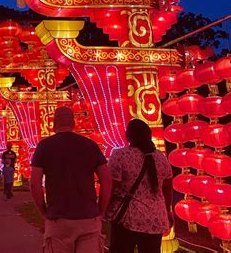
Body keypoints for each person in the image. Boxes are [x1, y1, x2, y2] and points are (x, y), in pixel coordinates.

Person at [30, 106, 111, 253]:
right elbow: (106, 180)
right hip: (88, 217)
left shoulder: (44, 146)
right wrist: (101, 210)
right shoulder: (90, 145)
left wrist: (43, 211)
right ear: (73, 123)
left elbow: (34, 183)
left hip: (58, 218)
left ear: (54, 123)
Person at [105, 119, 173, 253]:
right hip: (156, 218)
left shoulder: (120, 155)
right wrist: (167, 211)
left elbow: (112, 186)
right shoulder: (161, 158)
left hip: (128, 218)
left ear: (128, 135)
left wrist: (103, 207)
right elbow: (167, 188)